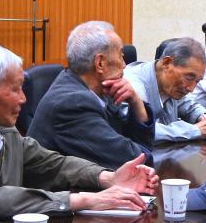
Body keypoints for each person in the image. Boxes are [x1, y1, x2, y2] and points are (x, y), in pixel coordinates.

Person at [0, 43, 159, 219]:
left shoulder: (2, 129)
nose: (24, 99)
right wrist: (82, 200)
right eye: (16, 89)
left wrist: (107, 178)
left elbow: (51, 164)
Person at [29, 21, 155, 167]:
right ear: (100, 63)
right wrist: (143, 151)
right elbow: (133, 159)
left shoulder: (98, 89)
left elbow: (138, 146)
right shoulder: (72, 104)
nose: (124, 65)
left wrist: (136, 102)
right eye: (121, 56)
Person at [124, 37, 206, 142]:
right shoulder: (133, 85)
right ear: (166, 63)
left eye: (197, 81)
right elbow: (142, 131)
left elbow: (185, 103)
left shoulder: (169, 84)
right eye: (189, 78)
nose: (191, 89)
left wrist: (204, 117)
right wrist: (194, 130)